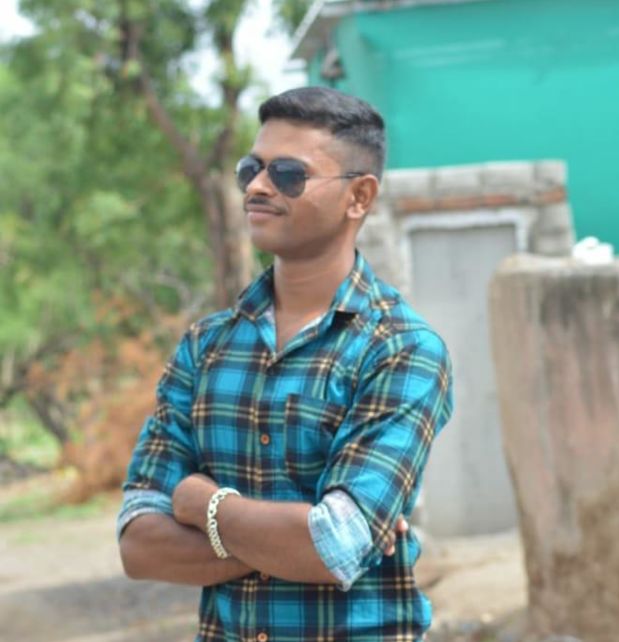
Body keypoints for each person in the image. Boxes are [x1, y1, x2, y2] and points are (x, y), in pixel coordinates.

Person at [117, 86, 453, 642]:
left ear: (359, 196)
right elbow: (139, 545)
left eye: (289, 174)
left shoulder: (401, 349)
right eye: (251, 169)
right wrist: (296, 540)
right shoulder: (205, 347)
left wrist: (206, 505)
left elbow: (335, 546)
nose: (257, 187)